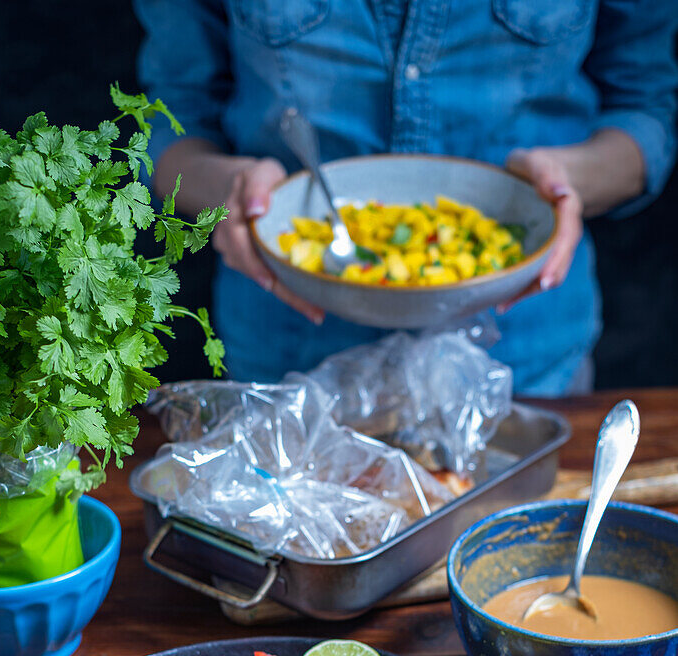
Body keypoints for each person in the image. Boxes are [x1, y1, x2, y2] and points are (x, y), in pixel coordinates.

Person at [134, 0, 677, 395]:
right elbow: (171, 126)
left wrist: (565, 182)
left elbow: (646, 109)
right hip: (289, 359)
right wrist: (230, 192)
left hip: (527, 355)